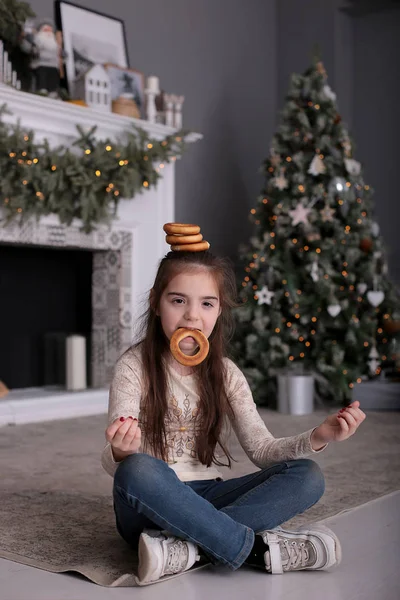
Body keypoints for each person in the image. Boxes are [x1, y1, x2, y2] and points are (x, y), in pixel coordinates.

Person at [101, 224, 366, 584]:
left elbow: (262, 449)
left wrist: (317, 436)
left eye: (206, 303)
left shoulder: (227, 374)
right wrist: (119, 452)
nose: (193, 316)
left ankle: (187, 550)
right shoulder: (133, 368)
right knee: (137, 471)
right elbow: (119, 465)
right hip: (151, 505)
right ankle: (253, 550)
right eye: (178, 300)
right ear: (155, 301)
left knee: (308, 477)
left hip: (209, 495)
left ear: (219, 310)